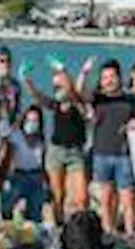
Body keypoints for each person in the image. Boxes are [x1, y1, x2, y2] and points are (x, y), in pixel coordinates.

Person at [80, 58, 135, 237]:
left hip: (124, 154)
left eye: (112, 76)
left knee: (128, 198)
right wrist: (84, 73)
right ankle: (108, 231)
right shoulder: (97, 99)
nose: (109, 80)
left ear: (119, 77)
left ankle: (130, 233)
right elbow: (78, 94)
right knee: (106, 197)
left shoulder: (131, 99)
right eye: (105, 77)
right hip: (102, 153)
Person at [24, 65, 88, 225]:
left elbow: (74, 91)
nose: (58, 90)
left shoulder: (77, 104)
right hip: (56, 151)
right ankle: (58, 226)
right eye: (55, 87)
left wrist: (66, 71)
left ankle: (83, 226)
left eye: (60, 86)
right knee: (57, 195)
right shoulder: (55, 105)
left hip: (75, 152)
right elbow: (37, 96)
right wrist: (27, 79)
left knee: (82, 196)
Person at [2, 106, 48, 222]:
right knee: (8, 205)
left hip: (36, 176)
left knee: (35, 211)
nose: (32, 124)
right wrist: (7, 178)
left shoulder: (42, 140)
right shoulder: (16, 137)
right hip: (18, 175)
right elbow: (8, 157)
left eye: (35, 121)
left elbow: (43, 162)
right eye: (29, 120)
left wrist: (46, 182)